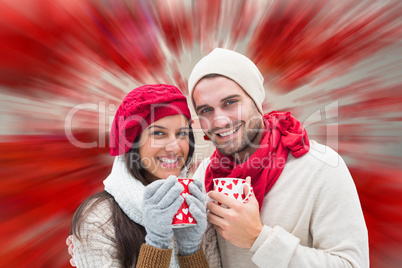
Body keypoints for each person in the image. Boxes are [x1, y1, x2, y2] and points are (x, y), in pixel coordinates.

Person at [187, 48, 369, 267]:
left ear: (255, 101)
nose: (220, 121)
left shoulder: (321, 167)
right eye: (206, 110)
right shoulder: (204, 175)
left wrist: (258, 239)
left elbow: (352, 264)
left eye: (230, 103)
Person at [68, 84, 221, 268]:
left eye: (182, 133)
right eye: (158, 133)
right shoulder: (98, 220)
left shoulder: (197, 206)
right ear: (133, 143)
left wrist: (190, 249)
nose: (175, 147)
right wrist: (157, 243)